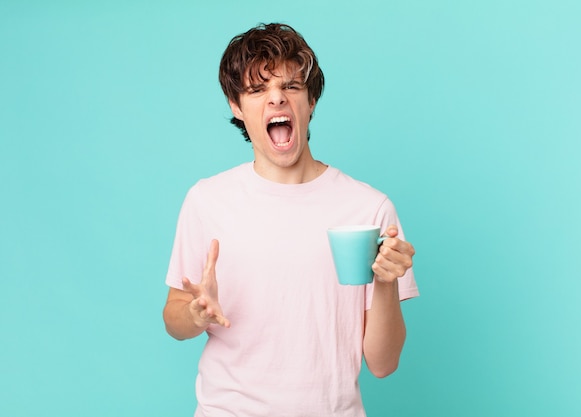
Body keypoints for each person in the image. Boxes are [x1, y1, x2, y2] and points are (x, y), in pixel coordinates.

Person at [163, 23, 419, 416]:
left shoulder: (369, 209)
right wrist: (194, 314)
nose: (276, 99)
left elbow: (383, 365)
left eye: (292, 87)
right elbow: (174, 318)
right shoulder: (207, 200)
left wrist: (386, 282)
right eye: (257, 90)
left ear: (311, 101)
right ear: (236, 106)